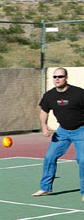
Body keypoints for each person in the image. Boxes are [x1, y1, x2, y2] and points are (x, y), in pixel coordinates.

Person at [32, 68, 84, 201]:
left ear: (66, 78)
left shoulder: (78, 93)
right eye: (55, 76)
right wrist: (44, 126)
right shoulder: (49, 95)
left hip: (80, 130)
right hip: (62, 131)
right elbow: (44, 111)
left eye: (60, 76)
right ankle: (45, 187)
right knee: (49, 156)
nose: (57, 79)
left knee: (82, 159)